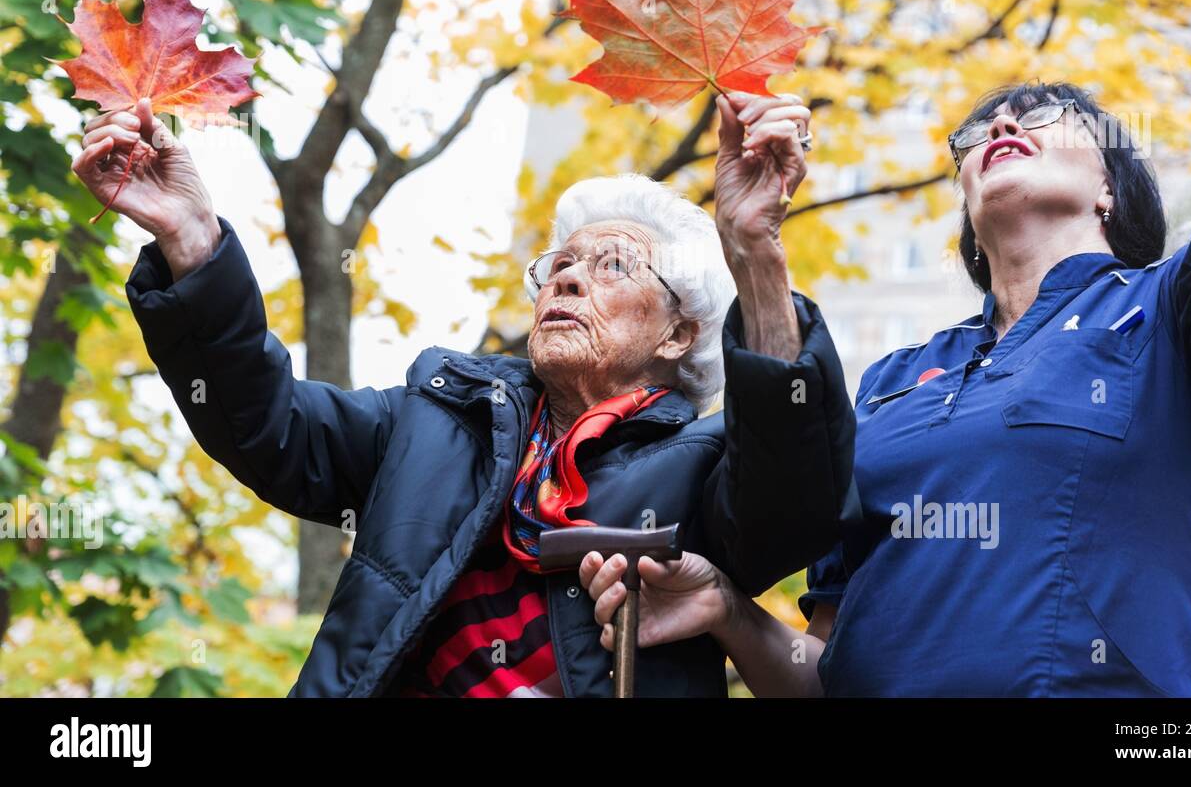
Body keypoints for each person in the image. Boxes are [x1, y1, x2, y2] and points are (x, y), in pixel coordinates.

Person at [579, 0, 1191, 696]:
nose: (1004, 125)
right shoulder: (889, 384)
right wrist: (733, 612)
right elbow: (828, 671)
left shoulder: (1169, 311)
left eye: (1047, 115)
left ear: (1111, 186)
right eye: (981, 130)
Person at [71, 89, 857, 697]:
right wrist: (192, 239)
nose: (569, 275)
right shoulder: (437, 418)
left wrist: (754, 252)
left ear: (679, 333)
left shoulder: (709, 465)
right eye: (558, 264)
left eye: (611, 264)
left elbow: (793, 501)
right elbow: (265, 423)